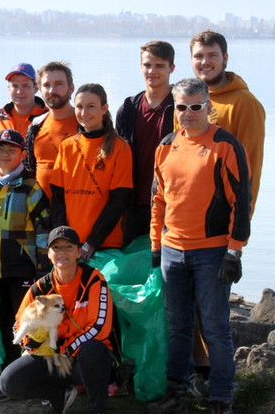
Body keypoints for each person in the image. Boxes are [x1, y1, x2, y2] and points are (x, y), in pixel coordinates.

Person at [146, 77, 251, 414]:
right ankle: (176, 390)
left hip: (212, 251)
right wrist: (156, 246)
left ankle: (222, 402)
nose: (188, 113)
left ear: (208, 106)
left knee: (215, 327)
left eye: (195, 106)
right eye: (182, 107)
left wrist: (234, 251)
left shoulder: (225, 144)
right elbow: (158, 200)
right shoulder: (166, 145)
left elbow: (241, 200)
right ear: (174, 109)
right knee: (177, 326)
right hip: (173, 250)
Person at [0, 225, 115, 414]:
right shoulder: (40, 288)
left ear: (79, 251)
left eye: (68, 247)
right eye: (56, 247)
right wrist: (31, 341)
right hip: (51, 357)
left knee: (94, 349)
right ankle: (57, 396)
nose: (62, 252)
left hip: (84, 359)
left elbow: (100, 327)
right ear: (49, 254)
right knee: (9, 382)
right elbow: (19, 324)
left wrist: (66, 349)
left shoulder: (93, 280)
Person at [0, 128, 51, 397]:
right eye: (0, 150)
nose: (5, 154)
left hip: (22, 270)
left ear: (22, 154)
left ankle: (33, 377)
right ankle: (8, 375)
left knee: (26, 323)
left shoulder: (31, 186)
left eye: (11, 150)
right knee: (2, 321)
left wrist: (42, 268)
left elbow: (43, 229)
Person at [49, 83, 134, 259]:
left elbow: (119, 201)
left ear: (104, 109)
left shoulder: (120, 148)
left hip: (104, 244)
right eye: (79, 106)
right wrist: (64, 239)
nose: (84, 112)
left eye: (91, 106)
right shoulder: (66, 146)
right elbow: (57, 198)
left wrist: (92, 242)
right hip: (71, 243)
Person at [189, 30, 265, 212]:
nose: (205, 62)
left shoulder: (244, 103)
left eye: (212, 55)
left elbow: (251, 163)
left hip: (223, 212)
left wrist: (243, 215)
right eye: (198, 56)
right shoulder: (187, 102)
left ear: (225, 58)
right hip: (187, 211)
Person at [115, 41, 176, 246]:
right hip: (134, 205)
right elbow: (117, 157)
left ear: (171, 68)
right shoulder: (128, 109)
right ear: (140, 67)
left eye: (160, 65)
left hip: (170, 204)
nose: (152, 71)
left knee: (165, 261)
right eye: (147, 65)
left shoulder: (181, 107)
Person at [0, 63, 48, 179]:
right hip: (0, 185)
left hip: (35, 186)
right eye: (15, 86)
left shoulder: (47, 117)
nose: (20, 91)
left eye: (25, 86)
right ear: (8, 88)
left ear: (36, 88)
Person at [23, 62, 79, 199]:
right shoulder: (36, 125)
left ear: (71, 88)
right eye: (47, 85)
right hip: (40, 206)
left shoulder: (84, 124)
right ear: (39, 89)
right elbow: (28, 169)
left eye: (59, 84)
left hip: (75, 205)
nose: (52, 90)